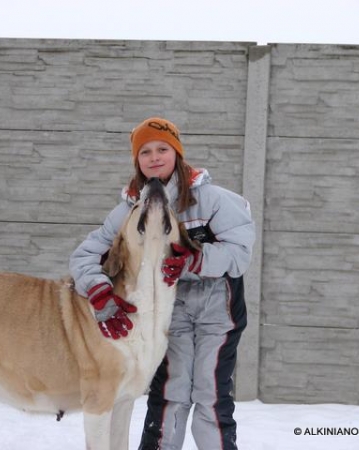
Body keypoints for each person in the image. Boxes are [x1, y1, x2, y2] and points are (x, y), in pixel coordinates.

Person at [69, 117, 255, 450]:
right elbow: (85, 257)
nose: (154, 157)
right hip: (169, 318)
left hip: (218, 313)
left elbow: (239, 255)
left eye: (162, 148)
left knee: (210, 395)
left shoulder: (212, 200)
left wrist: (194, 260)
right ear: (137, 161)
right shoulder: (129, 210)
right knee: (171, 393)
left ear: (177, 153)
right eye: (145, 152)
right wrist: (99, 291)